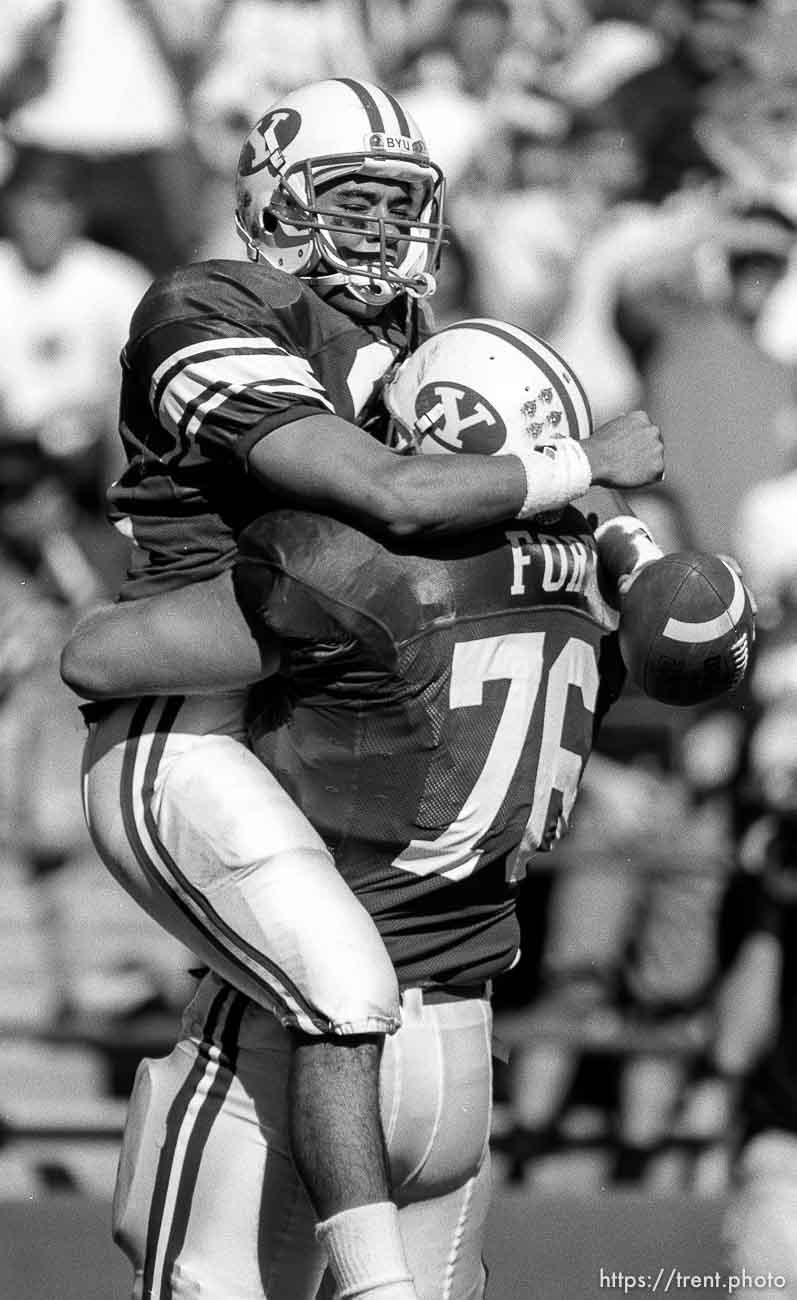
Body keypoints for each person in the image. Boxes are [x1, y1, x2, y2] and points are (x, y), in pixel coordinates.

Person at [60, 77, 664, 1299]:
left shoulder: (425, 344)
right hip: (200, 703)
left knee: (350, 1005)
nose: (384, 229)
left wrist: (613, 549)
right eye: (351, 196)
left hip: (339, 708)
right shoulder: (214, 304)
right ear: (274, 199)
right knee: (339, 988)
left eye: (402, 202)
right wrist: (572, 470)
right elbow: (384, 499)